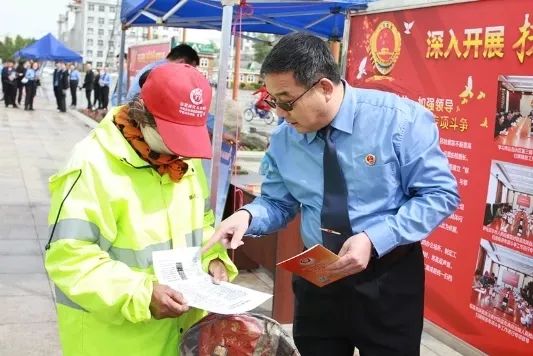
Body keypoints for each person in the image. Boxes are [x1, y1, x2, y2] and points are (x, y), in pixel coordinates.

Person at [204, 33, 460, 356]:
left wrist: (374, 237)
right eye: (273, 101)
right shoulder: (285, 140)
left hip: (386, 279)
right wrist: (248, 216)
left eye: (286, 100)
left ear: (324, 88)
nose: (280, 114)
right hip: (318, 276)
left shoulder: (399, 121)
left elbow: (440, 194)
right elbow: (278, 203)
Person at [44, 62, 238, 356]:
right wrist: (142, 294)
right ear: (143, 116)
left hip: (178, 335)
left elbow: (204, 223)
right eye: (173, 136)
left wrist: (214, 259)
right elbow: (69, 258)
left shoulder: (184, 160)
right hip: (113, 342)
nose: (179, 151)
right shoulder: (91, 165)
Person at [126, 44, 199, 101]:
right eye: (191, 69)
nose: (190, 74)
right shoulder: (163, 73)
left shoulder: (156, 66)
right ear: (182, 62)